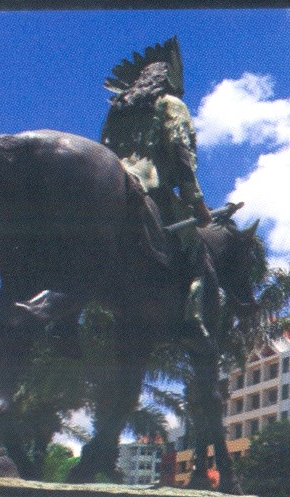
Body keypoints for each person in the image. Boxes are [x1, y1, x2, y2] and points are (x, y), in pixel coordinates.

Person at [101, 37, 215, 336]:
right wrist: (197, 203)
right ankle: (193, 320)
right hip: (148, 184)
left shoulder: (118, 108)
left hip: (112, 179)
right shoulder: (170, 104)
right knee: (196, 249)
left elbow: (104, 148)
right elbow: (180, 153)